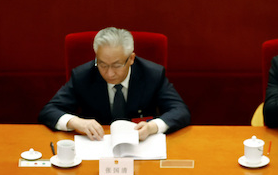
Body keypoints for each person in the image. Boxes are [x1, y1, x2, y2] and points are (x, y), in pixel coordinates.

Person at [39, 27, 190, 141]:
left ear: (131, 59)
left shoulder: (152, 74)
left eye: (117, 65)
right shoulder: (83, 75)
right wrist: (76, 122)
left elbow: (180, 111)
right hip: (97, 144)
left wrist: (152, 127)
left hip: (141, 145)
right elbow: (49, 111)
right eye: (103, 64)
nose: (109, 73)